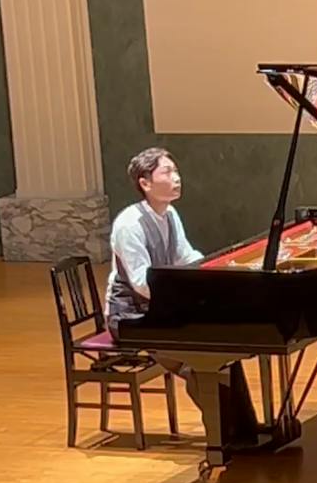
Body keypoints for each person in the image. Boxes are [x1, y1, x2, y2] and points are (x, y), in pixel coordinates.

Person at [106, 147, 259, 443]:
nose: (177, 178)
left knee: (224, 348)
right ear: (145, 183)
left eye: (176, 171)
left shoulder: (170, 214)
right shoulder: (129, 225)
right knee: (199, 362)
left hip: (162, 307)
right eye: (167, 172)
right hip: (131, 315)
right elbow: (140, 282)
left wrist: (214, 272)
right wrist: (183, 299)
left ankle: (244, 430)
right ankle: (222, 438)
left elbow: (185, 256)